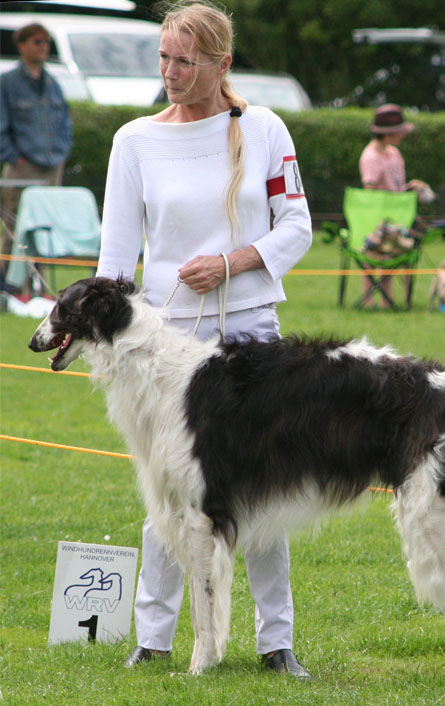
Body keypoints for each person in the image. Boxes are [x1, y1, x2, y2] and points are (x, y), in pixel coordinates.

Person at [95, 1, 312, 678]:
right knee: (166, 492)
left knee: (260, 488)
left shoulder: (266, 128)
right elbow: (115, 263)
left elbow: (296, 225)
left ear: (222, 63)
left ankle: (276, 642)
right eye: (163, 58)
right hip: (165, 348)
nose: (169, 72)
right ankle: (153, 636)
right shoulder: (133, 140)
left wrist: (230, 262)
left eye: (184, 61)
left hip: (252, 336)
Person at [0, 23, 73, 286]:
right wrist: (13, 157)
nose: (44, 47)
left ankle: (38, 285)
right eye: (37, 42)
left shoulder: (52, 83)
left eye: (46, 42)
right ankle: (8, 286)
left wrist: (62, 152)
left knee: (45, 226)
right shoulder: (7, 82)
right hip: (22, 166)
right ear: (22, 46)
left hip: (52, 166)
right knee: (15, 226)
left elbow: (65, 122)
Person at [358, 104, 433, 309]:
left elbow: (396, 188)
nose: (403, 135)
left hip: (398, 218)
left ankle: (388, 300)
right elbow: (370, 194)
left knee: (398, 248)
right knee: (378, 252)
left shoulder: (394, 153)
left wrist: (409, 189)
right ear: (388, 133)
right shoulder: (371, 157)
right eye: (399, 131)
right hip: (378, 223)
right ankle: (371, 301)